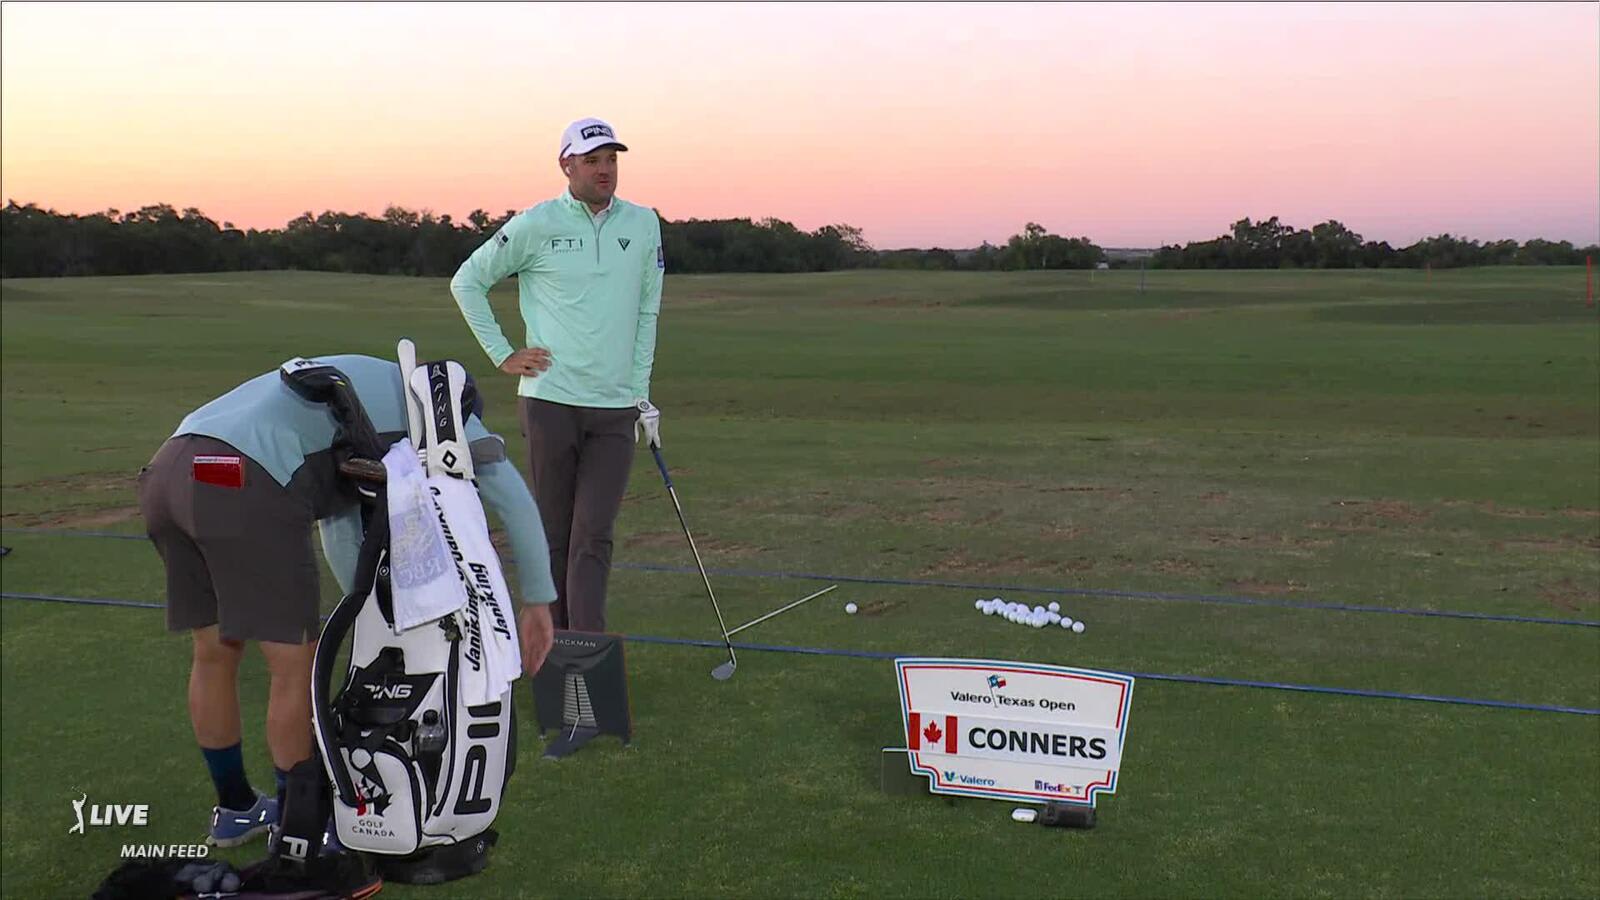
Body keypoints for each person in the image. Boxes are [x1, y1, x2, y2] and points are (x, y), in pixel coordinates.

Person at [136, 353, 556, 848]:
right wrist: (539, 602)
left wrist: (371, 619)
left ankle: (236, 809)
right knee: (294, 665)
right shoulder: (445, 413)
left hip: (168, 470)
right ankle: (302, 828)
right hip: (241, 476)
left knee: (214, 652)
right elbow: (515, 503)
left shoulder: (371, 388)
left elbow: (339, 525)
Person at [450, 116, 664, 633]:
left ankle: (585, 650)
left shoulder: (642, 224)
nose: (604, 170)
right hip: (550, 403)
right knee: (554, 534)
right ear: (566, 165)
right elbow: (467, 282)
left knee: (595, 534)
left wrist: (640, 397)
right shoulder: (536, 223)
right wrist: (503, 354)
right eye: (592, 160)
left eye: (611, 159)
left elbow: (647, 312)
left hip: (614, 409)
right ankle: (555, 650)